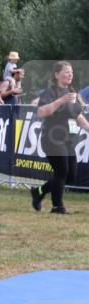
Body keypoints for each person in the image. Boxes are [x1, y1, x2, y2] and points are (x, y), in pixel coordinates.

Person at [30, 61, 89, 215]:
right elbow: (41, 112)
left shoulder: (71, 92)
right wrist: (60, 101)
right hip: (51, 138)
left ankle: (39, 191)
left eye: (72, 72)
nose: (70, 74)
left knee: (70, 175)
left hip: (67, 139)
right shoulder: (50, 92)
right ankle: (57, 207)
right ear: (56, 75)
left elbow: (78, 116)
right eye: (66, 71)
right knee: (62, 171)